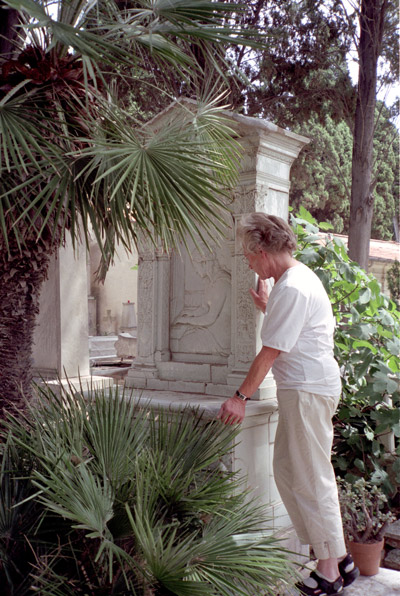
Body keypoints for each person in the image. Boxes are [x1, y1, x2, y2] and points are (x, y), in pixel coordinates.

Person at [217, 213, 359, 596]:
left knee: (312, 475)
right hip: (305, 389)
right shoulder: (290, 283)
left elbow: (272, 351)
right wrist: (268, 307)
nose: (247, 263)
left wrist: (239, 398)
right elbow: (293, 332)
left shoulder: (294, 286)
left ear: (261, 252)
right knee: (288, 470)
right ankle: (338, 555)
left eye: (248, 257)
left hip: (308, 390)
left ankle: (330, 570)